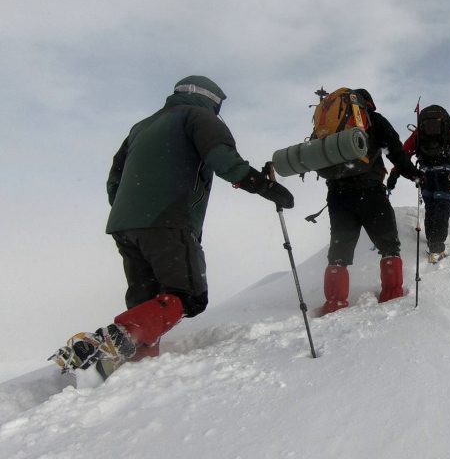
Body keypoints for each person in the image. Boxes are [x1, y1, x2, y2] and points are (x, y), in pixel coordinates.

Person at [51, 75, 295, 379]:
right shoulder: (199, 117)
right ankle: (110, 342)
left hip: (125, 224)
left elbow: (114, 180)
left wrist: (133, 211)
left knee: (148, 297)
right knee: (188, 295)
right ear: (212, 99)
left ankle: (134, 365)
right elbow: (222, 158)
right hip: (168, 220)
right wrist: (263, 186)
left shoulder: (141, 127)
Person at [319, 89, 422, 315]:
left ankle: (334, 303)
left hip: (337, 194)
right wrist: (414, 174)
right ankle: (392, 293)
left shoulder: (328, 123)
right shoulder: (372, 120)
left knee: (339, 250)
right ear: (368, 104)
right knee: (389, 245)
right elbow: (395, 150)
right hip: (370, 191)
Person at [391, 104, 450, 263]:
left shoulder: (419, 132)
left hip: (425, 174)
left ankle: (432, 240)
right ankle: (437, 246)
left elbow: (404, 153)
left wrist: (394, 174)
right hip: (446, 172)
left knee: (431, 206)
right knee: (443, 205)